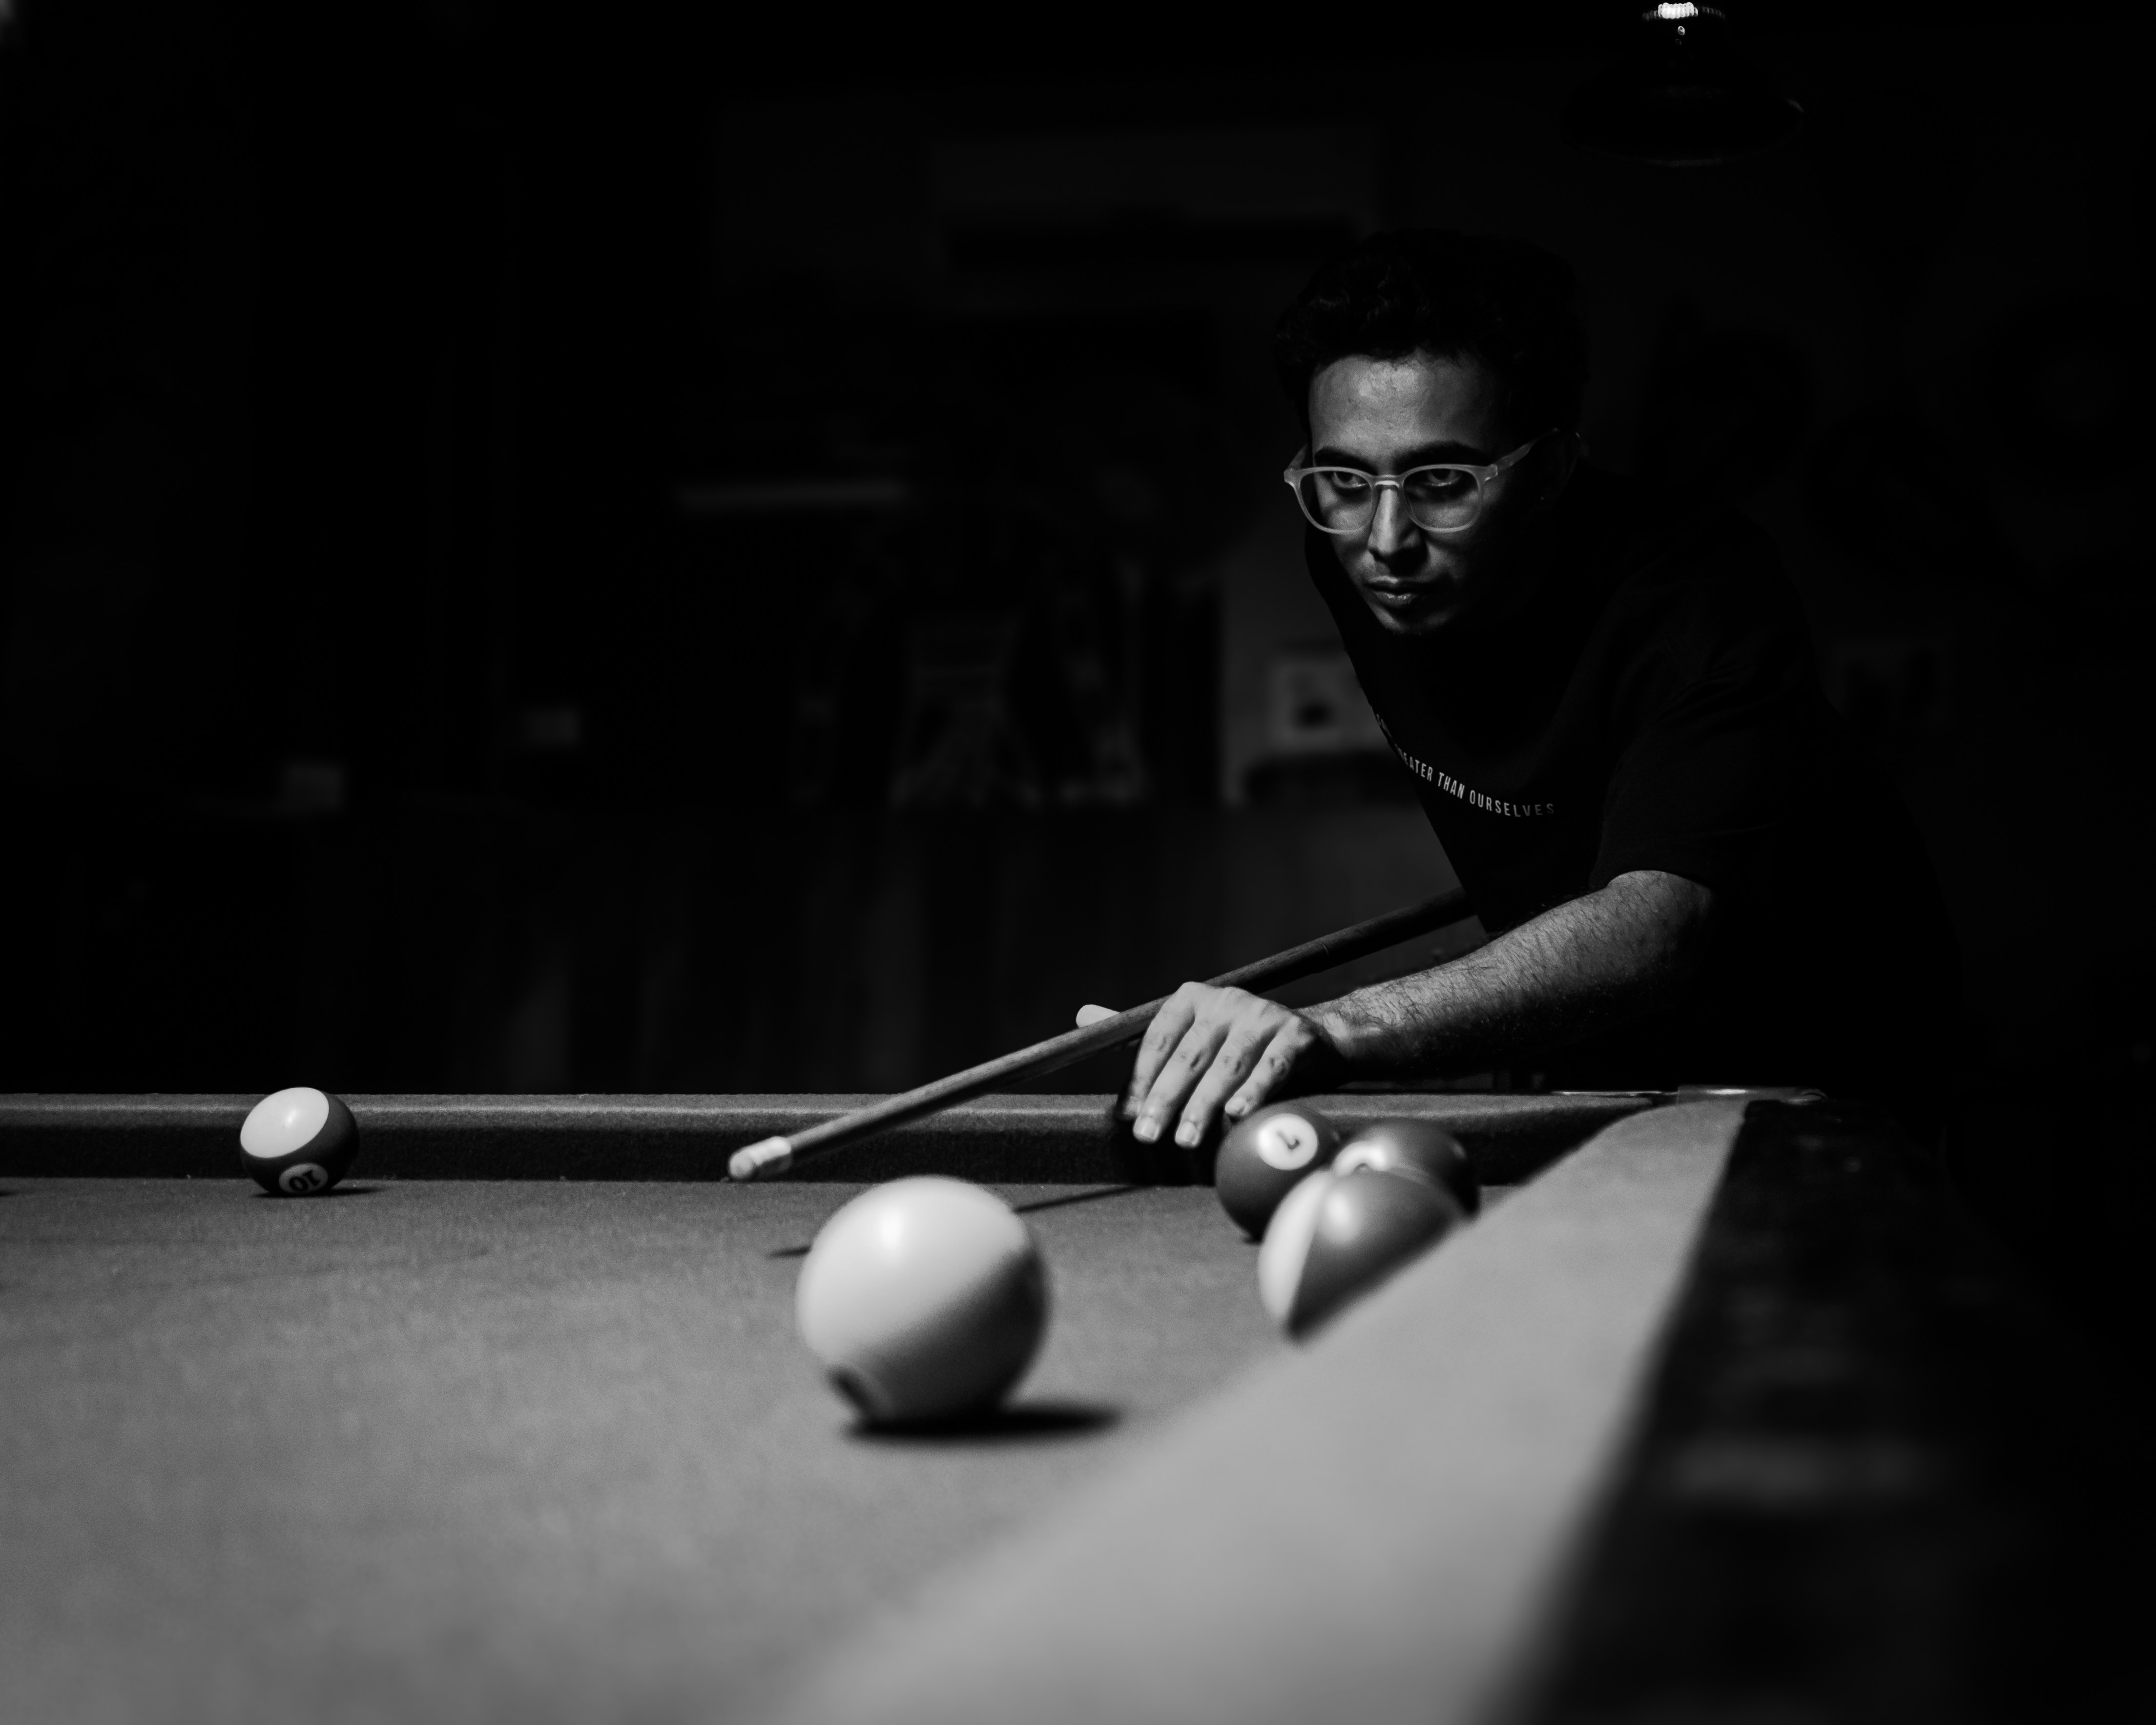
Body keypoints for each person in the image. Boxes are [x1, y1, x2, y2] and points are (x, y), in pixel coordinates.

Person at [1122, 229, 1959, 1150]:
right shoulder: (1357, 550)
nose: (1387, 537)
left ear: (1552, 470)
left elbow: (1655, 929)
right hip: (1605, 1069)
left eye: (1443, 481)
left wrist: (1333, 1029)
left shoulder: (1698, 594)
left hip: (1831, 1072)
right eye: (1345, 478)